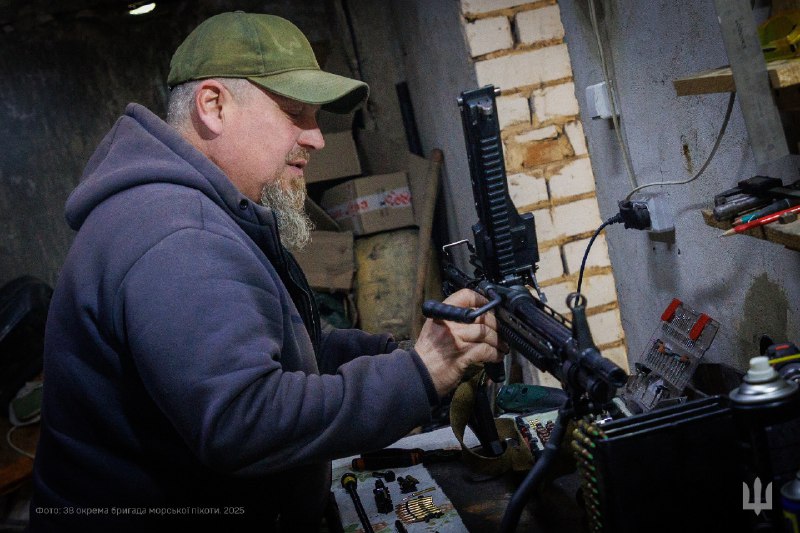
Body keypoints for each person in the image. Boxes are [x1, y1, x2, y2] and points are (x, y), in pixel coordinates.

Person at [29, 11, 504, 532]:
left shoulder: (191, 210)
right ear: (214, 106)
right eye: (295, 112)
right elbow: (243, 420)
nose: (316, 138)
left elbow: (279, 347)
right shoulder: (180, 236)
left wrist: (403, 352)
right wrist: (420, 372)